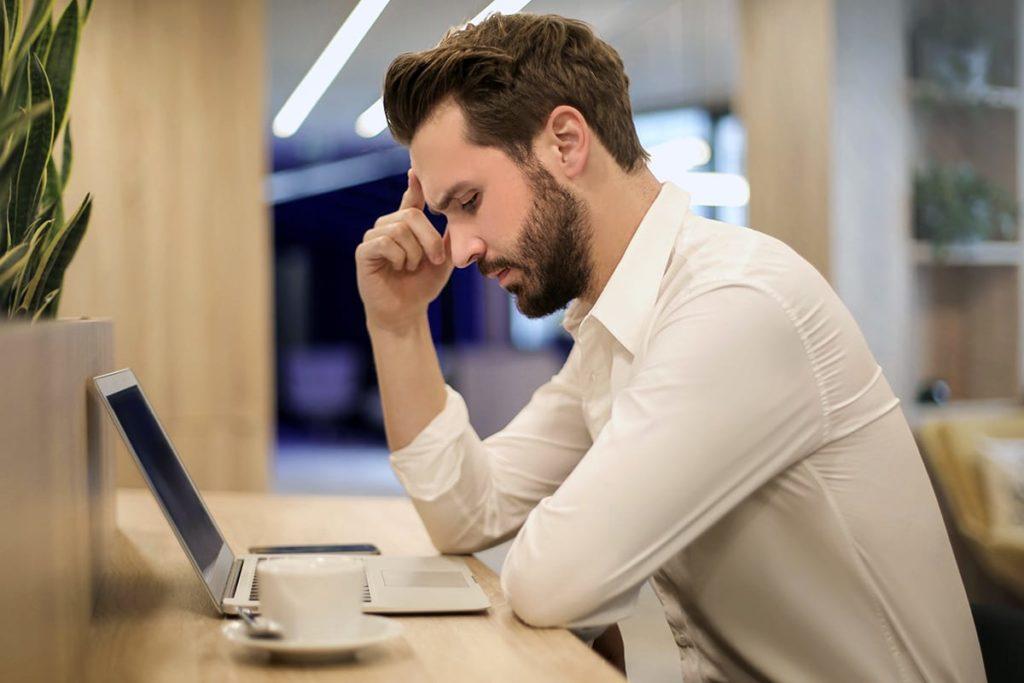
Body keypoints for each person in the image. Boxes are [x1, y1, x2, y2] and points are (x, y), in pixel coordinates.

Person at [354, 12, 984, 682]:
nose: (458, 247)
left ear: (566, 142)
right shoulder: (616, 324)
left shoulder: (734, 306)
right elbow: (466, 512)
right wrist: (397, 325)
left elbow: (549, 579)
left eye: (470, 200)